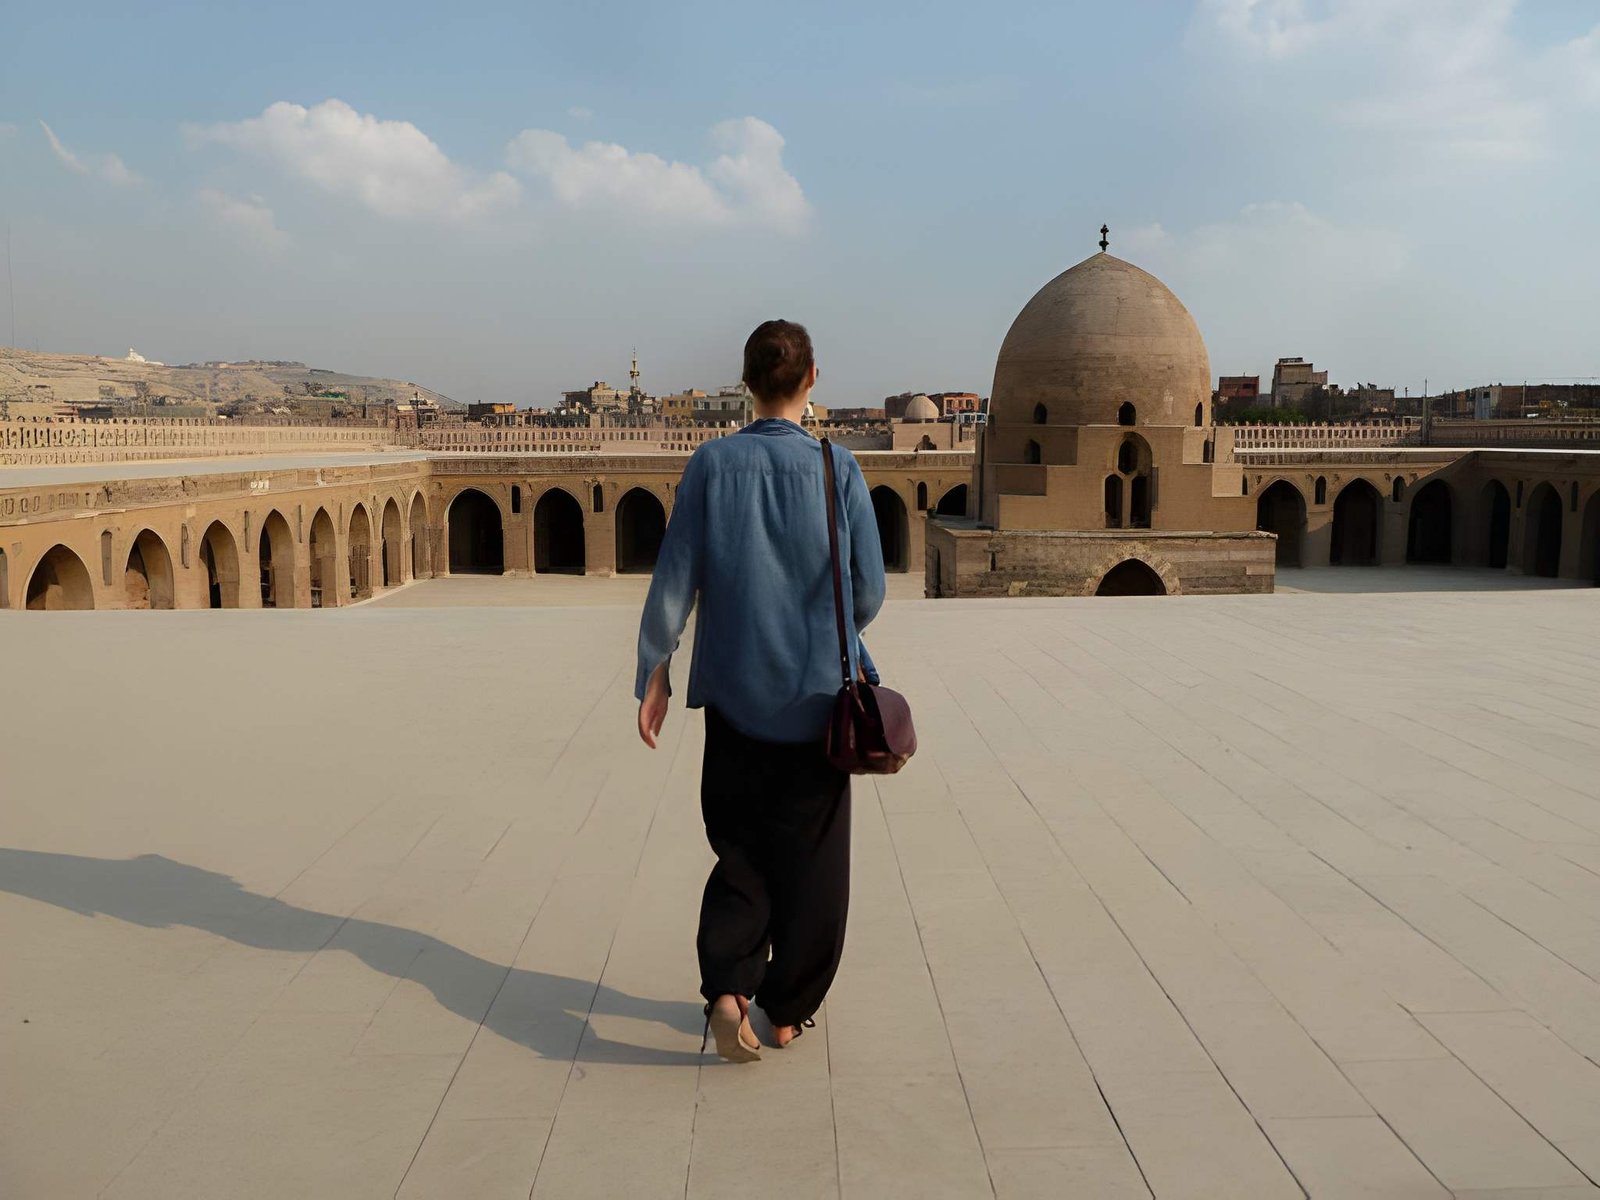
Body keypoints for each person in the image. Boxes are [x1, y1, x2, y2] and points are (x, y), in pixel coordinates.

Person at [634, 319, 886, 1062]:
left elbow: (675, 578)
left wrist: (656, 667)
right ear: (812, 379)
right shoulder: (837, 469)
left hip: (735, 703)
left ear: (747, 383)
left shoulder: (711, 465)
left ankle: (727, 987)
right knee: (813, 868)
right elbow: (867, 588)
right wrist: (825, 632)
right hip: (815, 705)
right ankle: (780, 1012)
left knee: (740, 853)